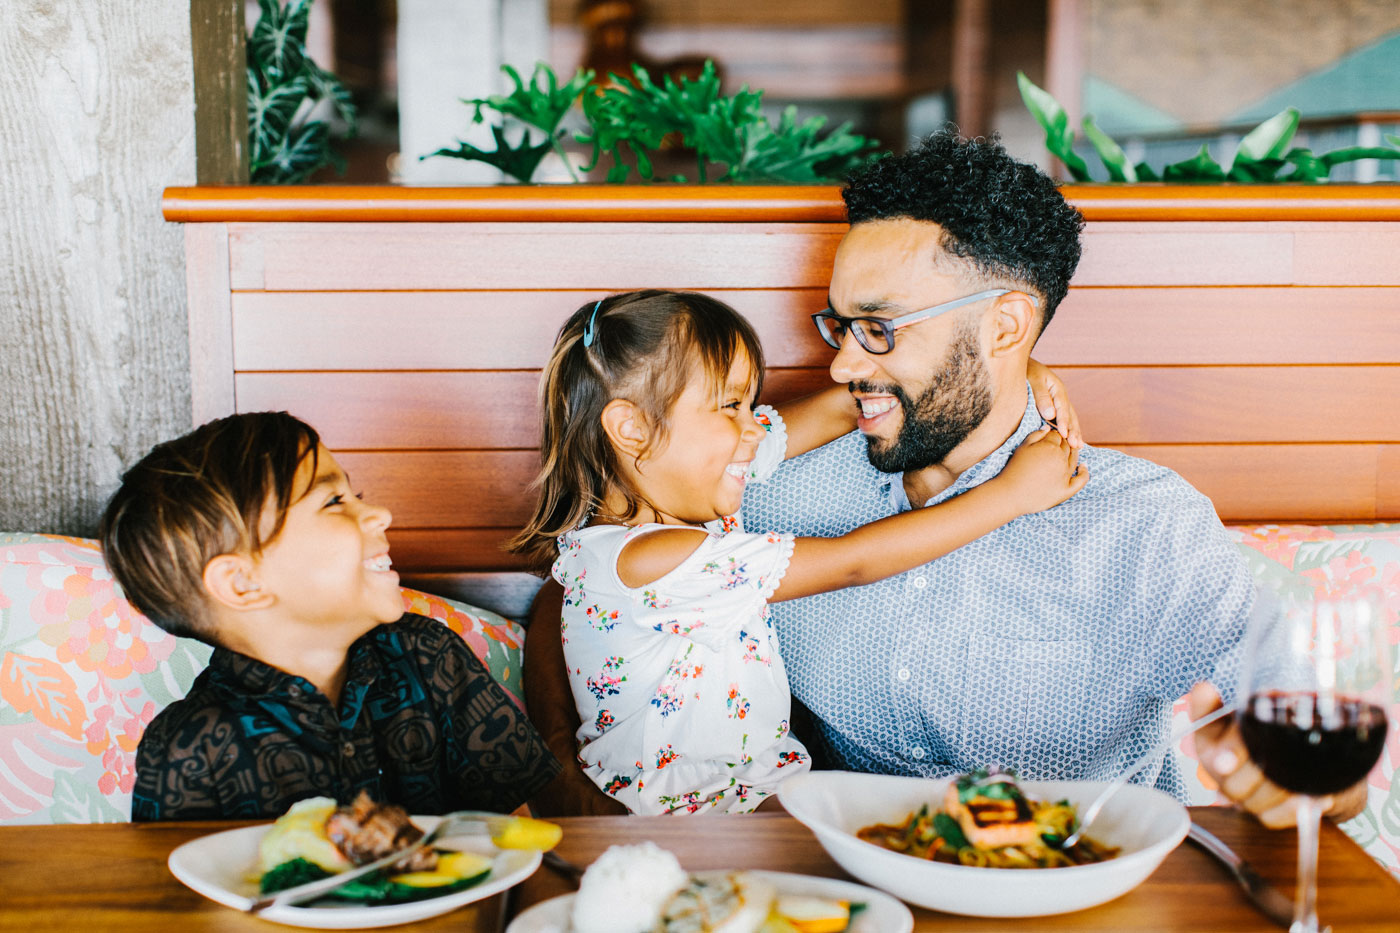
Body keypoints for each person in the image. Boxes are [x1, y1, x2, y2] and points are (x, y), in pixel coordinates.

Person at [741, 130, 1368, 825]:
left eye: (880, 328)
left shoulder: (1143, 523)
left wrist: (1297, 782)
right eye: (842, 326)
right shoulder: (776, 492)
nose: (842, 366)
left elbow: (1311, 744)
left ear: (1006, 327)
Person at [508, 289, 1087, 814]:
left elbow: (846, 406)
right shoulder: (655, 558)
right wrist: (1013, 494)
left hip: (752, 790)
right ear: (631, 430)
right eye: (729, 405)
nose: (754, 428)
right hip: (688, 814)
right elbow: (853, 561)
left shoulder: (677, 494)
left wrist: (1003, 366)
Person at [100, 411, 562, 820]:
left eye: (354, 493)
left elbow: (518, 840)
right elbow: (190, 908)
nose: (379, 513)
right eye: (334, 502)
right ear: (242, 583)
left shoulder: (429, 656)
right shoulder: (188, 750)